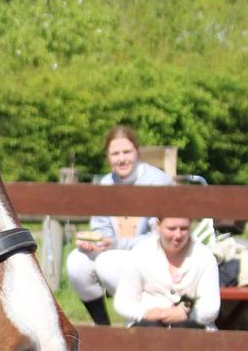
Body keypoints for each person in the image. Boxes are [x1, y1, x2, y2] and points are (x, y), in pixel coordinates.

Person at [66, 126, 173, 325]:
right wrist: (95, 242)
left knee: (107, 263)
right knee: (76, 262)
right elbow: (101, 227)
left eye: (127, 152)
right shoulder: (106, 184)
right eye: (115, 154)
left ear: (137, 152)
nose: (121, 159)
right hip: (114, 250)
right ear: (108, 157)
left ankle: (138, 322)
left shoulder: (157, 181)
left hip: (153, 256)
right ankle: (103, 327)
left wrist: (115, 243)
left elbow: (161, 237)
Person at [113, 217, 220, 351]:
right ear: (158, 226)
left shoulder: (204, 256)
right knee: (146, 331)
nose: (177, 235)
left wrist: (185, 312)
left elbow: (211, 307)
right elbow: (122, 302)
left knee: (186, 331)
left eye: (184, 228)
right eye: (171, 228)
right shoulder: (141, 253)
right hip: (149, 325)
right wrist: (144, 312)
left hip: (192, 327)